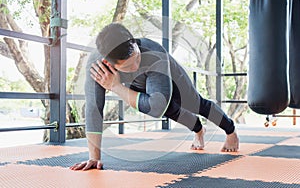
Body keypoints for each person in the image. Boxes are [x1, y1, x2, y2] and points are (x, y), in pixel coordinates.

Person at [70, 23, 239, 171]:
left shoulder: (154, 53)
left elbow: (156, 108)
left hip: (172, 78)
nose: (136, 65)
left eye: (136, 58)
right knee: (172, 111)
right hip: (140, 86)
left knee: (196, 104)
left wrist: (115, 86)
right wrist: (94, 157)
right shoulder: (98, 66)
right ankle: (199, 130)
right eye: (128, 66)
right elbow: (93, 108)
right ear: (109, 64)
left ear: (134, 42)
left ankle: (231, 131)